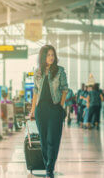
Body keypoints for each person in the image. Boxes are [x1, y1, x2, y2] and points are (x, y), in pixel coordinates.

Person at [30, 45, 68, 178]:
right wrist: (32, 110)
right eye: (48, 55)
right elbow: (35, 92)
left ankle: (50, 166)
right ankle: (47, 165)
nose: (51, 57)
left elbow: (64, 89)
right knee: (44, 140)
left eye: (53, 55)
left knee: (53, 139)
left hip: (55, 109)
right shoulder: (38, 72)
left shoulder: (60, 71)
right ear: (43, 56)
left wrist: (60, 107)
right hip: (41, 110)